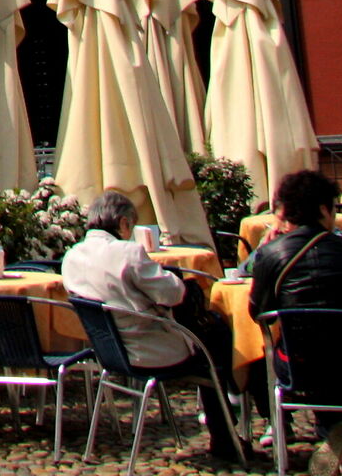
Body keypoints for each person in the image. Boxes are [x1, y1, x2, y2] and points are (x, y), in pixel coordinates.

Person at [63, 189, 240, 462]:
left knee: (210, 341)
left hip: (111, 352)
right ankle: (226, 430)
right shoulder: (128, 253)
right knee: (216, 341)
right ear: (123, 223)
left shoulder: (72, 257)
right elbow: (173, 294)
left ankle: (226, 424)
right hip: (150, 350)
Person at [251, 170, 342, 476]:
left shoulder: (272, 253)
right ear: (325, 209)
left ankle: (293, 429)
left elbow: (258, 313)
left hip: (298, 365)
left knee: (261, 358)